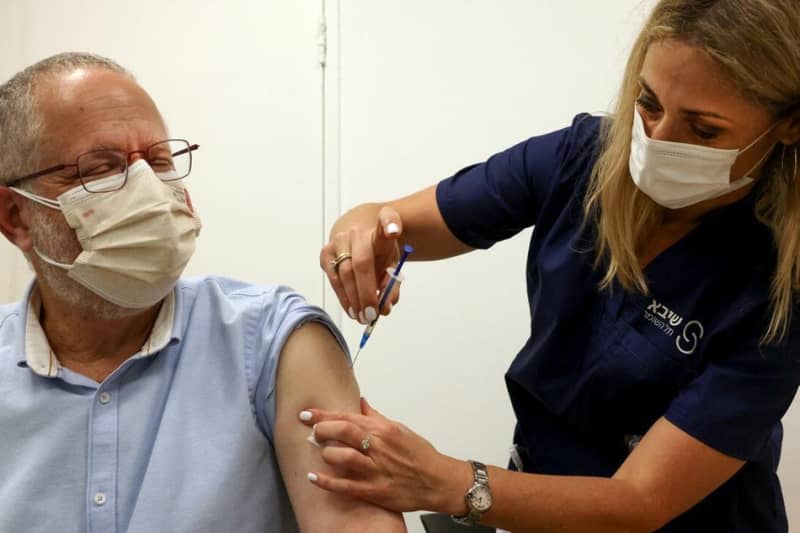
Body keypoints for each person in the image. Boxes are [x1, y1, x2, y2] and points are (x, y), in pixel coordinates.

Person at [305, 1, 800, 531]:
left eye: (702, 131)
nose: (657, 141)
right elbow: (398, 224)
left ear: (789, 125)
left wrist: (446, 481)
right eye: (648, 104)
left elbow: (638, 501)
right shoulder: (582, 159)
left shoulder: (779, 290)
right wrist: (359, 231)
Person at [0, 53, 406, 533]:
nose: (149, 190)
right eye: (101, 168)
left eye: (159, 161)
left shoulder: (272, 343)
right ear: (16, 217)